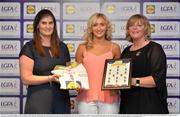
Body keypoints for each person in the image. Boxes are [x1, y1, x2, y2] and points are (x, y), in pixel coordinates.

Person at [19, 9, 71, 114]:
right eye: (44, 23)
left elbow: (69, 73)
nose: (48, 26)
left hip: (61, 99)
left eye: (50, 23)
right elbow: (26, 79)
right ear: (37, 26)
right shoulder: (29, 48)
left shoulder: (63, 47)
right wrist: (50, 78)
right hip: (38, 99)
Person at [119, 14, 169, 114]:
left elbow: (156, 80)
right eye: (131, 25)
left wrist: (131, 81)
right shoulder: (125, 51)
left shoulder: (154, 48)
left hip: (150, 104)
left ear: (146, 29)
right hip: (128, 104)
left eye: (139, 25)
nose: (134, 28)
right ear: (128, 30)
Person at [75, 12, 121, 114]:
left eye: (102, 24)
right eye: (95, 25)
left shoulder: (115, 48)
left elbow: (119, 74)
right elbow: (77, 74)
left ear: (107, 27)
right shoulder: (82, 48)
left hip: (110, 97)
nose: (99, 28)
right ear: (90, 28)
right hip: (86, 97)